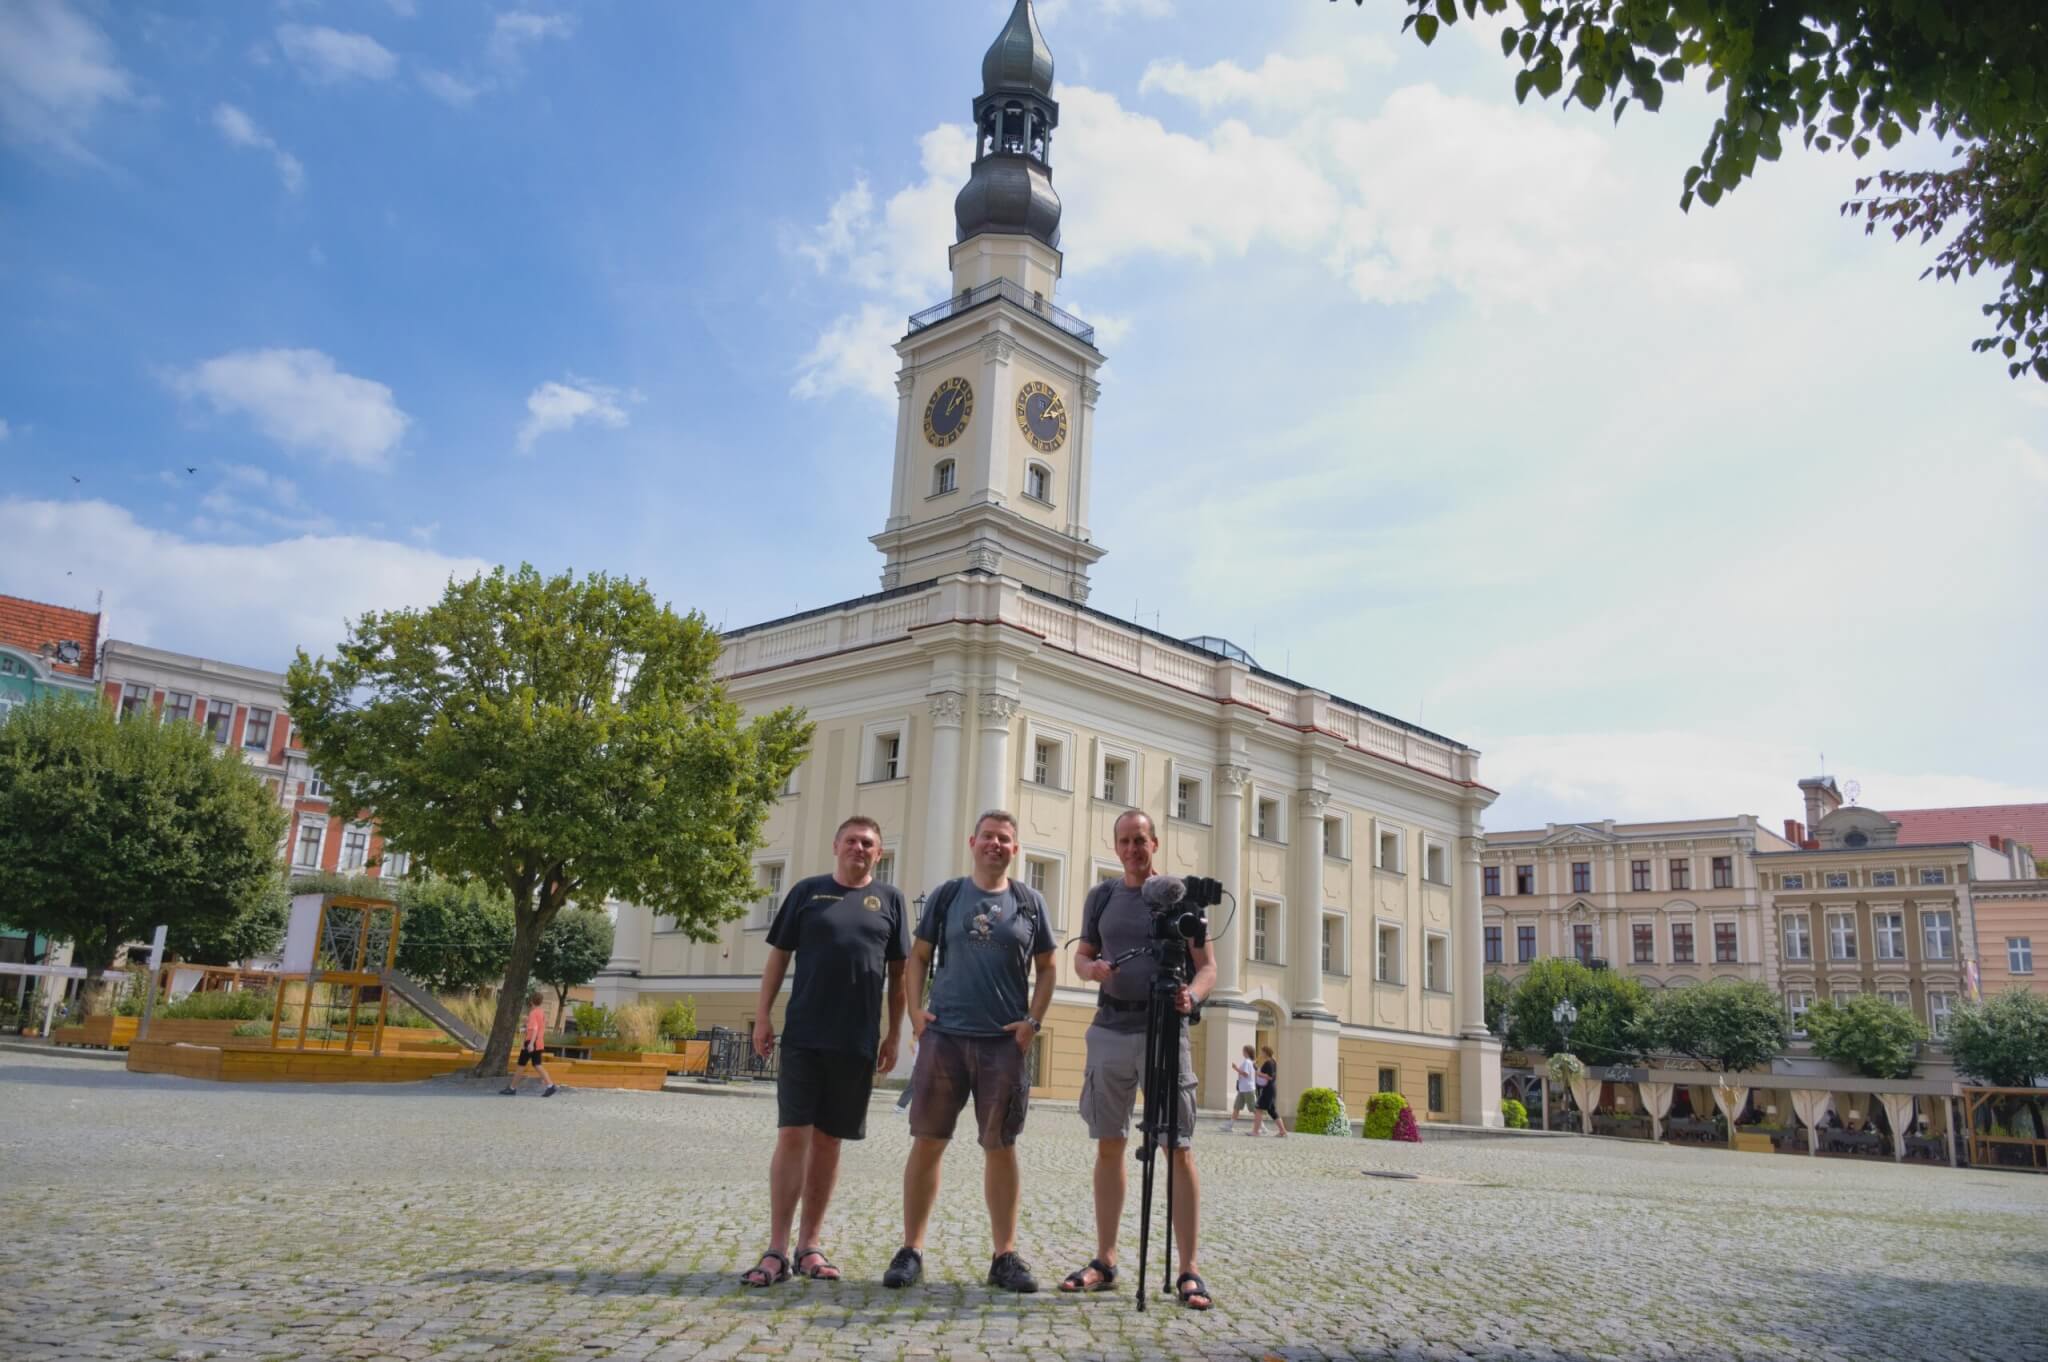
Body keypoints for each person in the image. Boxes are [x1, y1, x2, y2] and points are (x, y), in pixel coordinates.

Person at [884, 810, 1056, 1294]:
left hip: (1003, 1042)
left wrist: (1033, 1023)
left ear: (1014, 849)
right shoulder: (948, 895)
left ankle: (1004, 1255)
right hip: (946, 1038)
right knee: (928, 1141)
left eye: (1004, 839)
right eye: (988, 837)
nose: (995, 844)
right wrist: (915, 1015)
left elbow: (1047, 968)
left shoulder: (1029, 902)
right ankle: (911, 1249)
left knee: (1000, 1147)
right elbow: (918, 957)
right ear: (972, 841)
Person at [740, 815, 909, 1288]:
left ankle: (809, 1245)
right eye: (852, 840)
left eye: (869, 843)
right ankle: (776, 1248)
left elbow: (898, 978)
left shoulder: (891, 902)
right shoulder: (807, 892)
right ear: (836, 845)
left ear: (880, 853)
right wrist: (765, 1014)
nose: (860, 848)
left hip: (855, 1040)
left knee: (830, 1141)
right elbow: (778, 957)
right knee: (793, 1135)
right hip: (804, 1036)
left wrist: (894, 1034)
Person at [1060, 809, 1218, 1311]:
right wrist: (1091, 970)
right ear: (1116, 846)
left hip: (1165, 1030)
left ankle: (1189, 1269)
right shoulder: (1102, 896)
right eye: (1124, 841)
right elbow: (1081, 956)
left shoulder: (1179, 895)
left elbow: (1207, 966)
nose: (1133, 849)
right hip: (1110, 1026)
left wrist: (1192, 996)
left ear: (1155, 842)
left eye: (1140, 840)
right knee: (1110, 1143)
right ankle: (1105, 1260)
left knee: (1178, 1146)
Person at [501, 989, 560, 1097]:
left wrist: (530, 1043)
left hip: (531, 1042)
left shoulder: (533, 1013)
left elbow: (535, 1029)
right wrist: (526, 1029)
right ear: (540, 1002)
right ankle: (550, 1085)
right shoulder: (541, 1013)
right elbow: (539, 1027)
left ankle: (512, 1088)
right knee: (537, 1064)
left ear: (531, 1001)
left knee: (521, 1065)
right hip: (539, 1042)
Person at [1250, 1045, 1287, 1138]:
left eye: (1262, 1052)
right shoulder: (1273, 1062)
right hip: (1271, 1089)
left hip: (1267, 1090)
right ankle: (1283, 1131)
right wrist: (1256, 1068)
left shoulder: (1268, 1063)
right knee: (1272, 1111)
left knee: (1258, 1109)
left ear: (1266, 1052)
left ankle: (1255, 1132)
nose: (1261, 1054)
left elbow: (1270, 1076)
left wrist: (1258, 1073)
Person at [1228, 1044, 1259, 1131]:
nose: (1242, 1052)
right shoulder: (1250, 1062)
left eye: (1243, 1051)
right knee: (1237, 1106)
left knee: (1253, 1109)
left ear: (1246, 1052)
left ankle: (1261, 1126)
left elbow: (1246, 1074)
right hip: (1243, 1088)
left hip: (1248, 1088)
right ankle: (1230, 1125)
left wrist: (1235, 1068)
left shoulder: (1247, 1062)